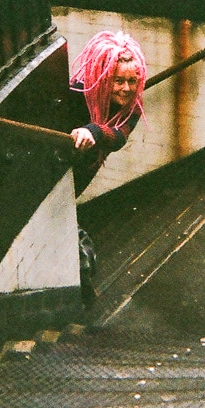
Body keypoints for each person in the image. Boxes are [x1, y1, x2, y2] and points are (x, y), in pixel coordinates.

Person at [65, 30, 147, 306]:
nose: (126, 89)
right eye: (118, 81)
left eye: (132, 81)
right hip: (59, 172)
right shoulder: (78, 95)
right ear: (103, 79)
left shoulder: (131, 108)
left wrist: (93, 131)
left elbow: (118, 136)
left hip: (82, 173)